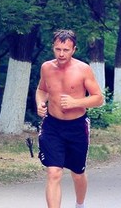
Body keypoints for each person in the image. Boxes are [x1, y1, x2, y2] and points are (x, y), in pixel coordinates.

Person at [36, 29, 104, 208]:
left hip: (77, 126)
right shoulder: (46, 67)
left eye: (66, 50)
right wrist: (40, 103)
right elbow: (42, 89)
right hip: (52, 126)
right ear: (53, 48)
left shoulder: (83, 69)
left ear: (74, 49)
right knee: (54, 172)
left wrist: (76, 102)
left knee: (77, 173)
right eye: (58, 49)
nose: (61, 54)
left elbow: (98, 98)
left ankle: (80, 204)